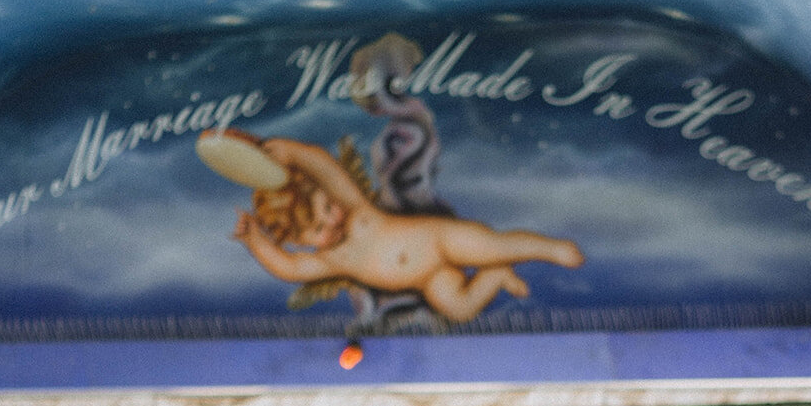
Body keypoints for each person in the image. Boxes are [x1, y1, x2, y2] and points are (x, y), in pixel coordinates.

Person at [232, 136, 584, 322]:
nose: (333, 222)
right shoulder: (330, 262)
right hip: (428, 281)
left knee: (494, 246)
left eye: (328, 208)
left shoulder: (356, 210)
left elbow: (322, 165)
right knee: (457, 307)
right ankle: (495, 277)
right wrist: (254, 239)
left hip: (440, 241)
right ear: (298, 240)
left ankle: (548, 249)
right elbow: (290, 268)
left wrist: (289, 153)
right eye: (318, 230)